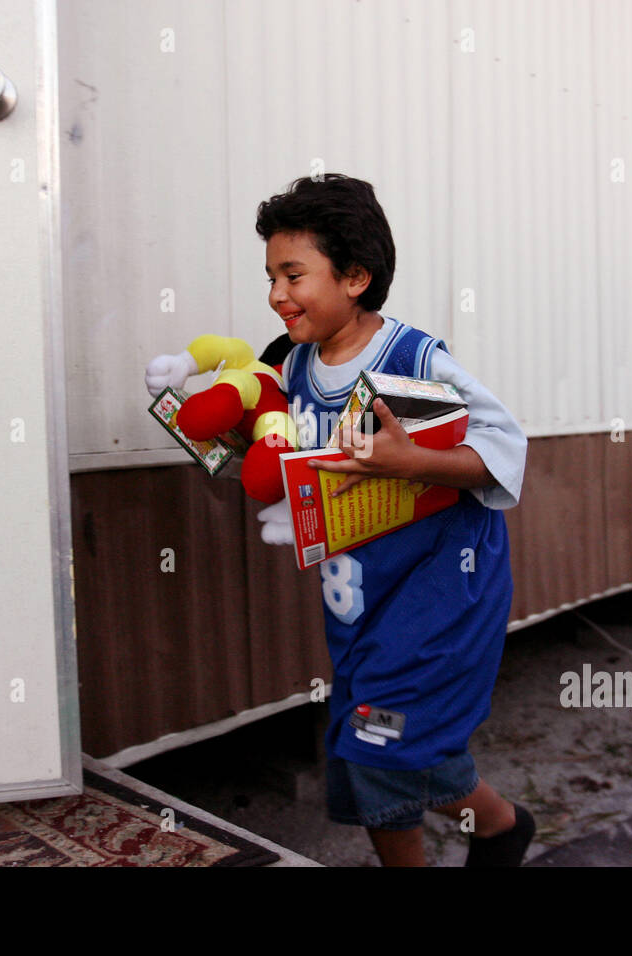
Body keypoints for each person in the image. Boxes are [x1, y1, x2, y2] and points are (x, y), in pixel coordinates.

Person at [256, 173, 535, 867]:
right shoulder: (291, 368)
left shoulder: (411, 362)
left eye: (294, 274)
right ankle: (495, 831)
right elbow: (285, 458)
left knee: (380, 742)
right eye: (269, 276)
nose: (276, 295)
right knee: (365, 746)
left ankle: (497, 829)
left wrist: (412, 459)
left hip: (438, 595)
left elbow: (505, 449)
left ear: (355, 276)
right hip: (359, 602)